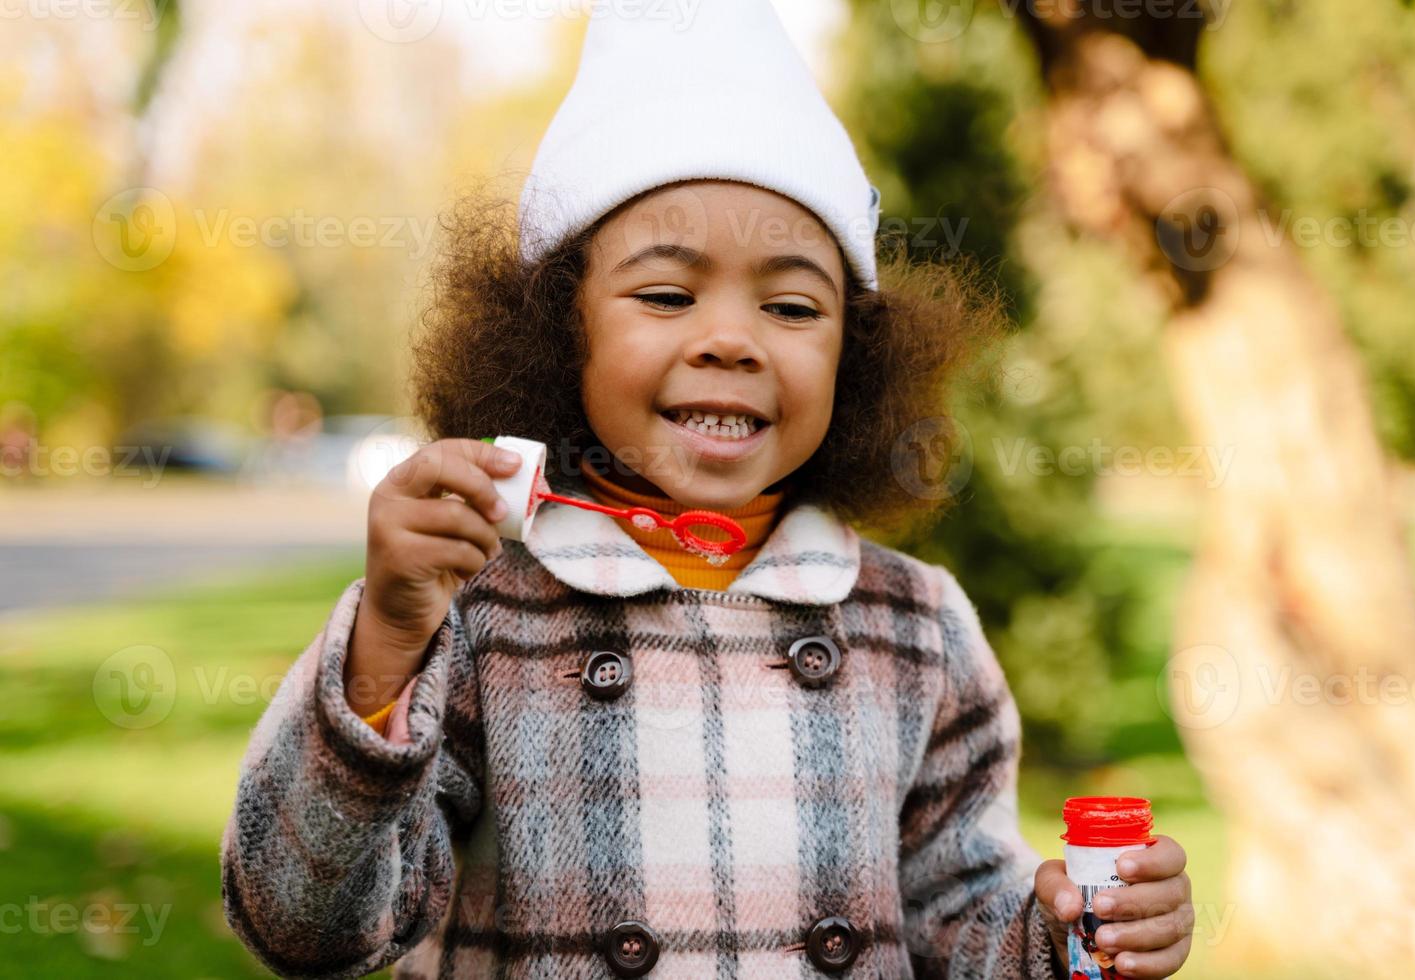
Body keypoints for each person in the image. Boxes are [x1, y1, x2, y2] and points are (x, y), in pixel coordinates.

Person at [219, 2, 1192, 977]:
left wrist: (1080, 929)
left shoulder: (918, 625)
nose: (731, 337)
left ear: (856, 352)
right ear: (562, 332)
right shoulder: (475, 615)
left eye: (792, 304)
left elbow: (966, 913)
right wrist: (385, 645)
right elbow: (305, 927)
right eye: (667, 294)